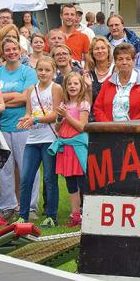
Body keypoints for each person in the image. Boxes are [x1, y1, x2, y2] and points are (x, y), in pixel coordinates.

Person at [0, 37, 38, 221]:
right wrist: (14, 97)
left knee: (27, 168)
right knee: (5, 169)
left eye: (14, 49)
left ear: (20, 51)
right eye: (7, 49)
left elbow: (28, 97)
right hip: (1, 127)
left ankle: (30, 206)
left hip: (22, 126)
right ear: (2, 53)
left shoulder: (28, 72)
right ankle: (7, 206)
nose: (11, 52)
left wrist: (2, 100)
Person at [16, 56, 62, 226]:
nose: (43, 73)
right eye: (40, 70)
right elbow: (29, 112)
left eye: (47, 70)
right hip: (33, 139)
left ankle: (51, 215)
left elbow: (56, 114)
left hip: (49, 138)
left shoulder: (55, 88)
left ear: (53, 72)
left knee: (50, 178)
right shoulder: (31, 89)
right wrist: (25, 119)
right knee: (26, 177)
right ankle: (23, 214)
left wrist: (35, 120)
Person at [49, 71, 92, 227]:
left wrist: (67, 116)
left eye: (76, 83)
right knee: (70, 183)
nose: (72, 86)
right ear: (65, 87)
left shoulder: (83, 104)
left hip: (78, 147)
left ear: (81, 86)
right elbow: (58, 128)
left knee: (83, 182)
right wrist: (60, 118)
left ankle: (88, 213)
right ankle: (75, 215)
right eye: (69, 84)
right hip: (65, 148)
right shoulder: (63, 105)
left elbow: (82, 127)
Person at [92, 43, 140, 122]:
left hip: (135, 131)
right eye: (120, 59)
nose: (124, 62)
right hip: (109, 131)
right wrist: (108, 126)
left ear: (133, 61)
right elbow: (98, 108)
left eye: (128, 59)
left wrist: (130, 127)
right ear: (115, 61)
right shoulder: (108, 82)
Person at [84, 36, 114, 106]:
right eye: (96, 49)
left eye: (103, 48)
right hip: (93, 114)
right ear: (92, 53)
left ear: (108, 50)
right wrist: (88, 88)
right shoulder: (88, 75)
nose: (100, 51)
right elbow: (87, 105)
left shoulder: (116, 71)